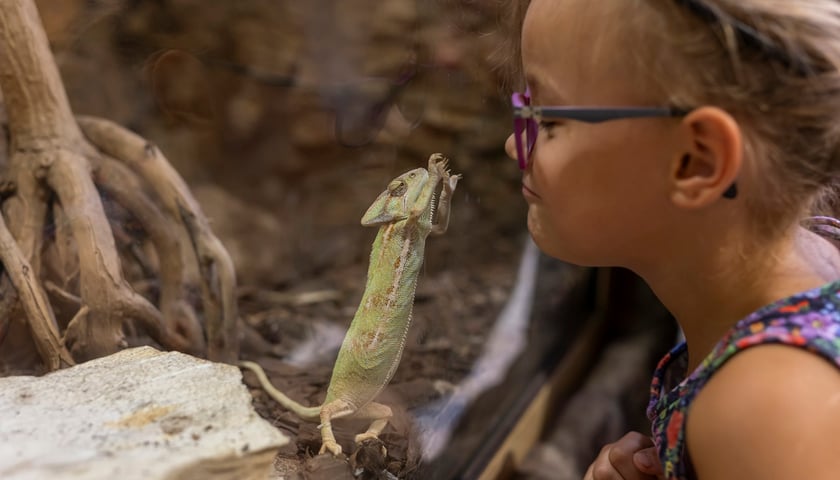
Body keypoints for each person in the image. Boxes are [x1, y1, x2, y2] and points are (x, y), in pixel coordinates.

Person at [504, 1, 840, 479]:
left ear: (696, 162)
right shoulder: (815, 260)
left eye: (549, 119)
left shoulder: (771, 408)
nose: (516, 144)